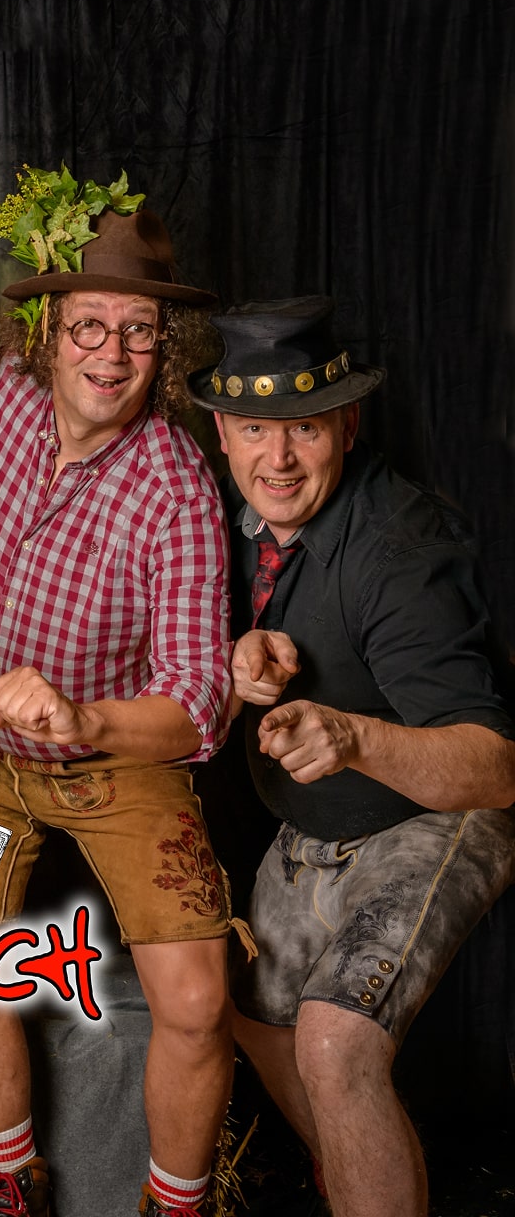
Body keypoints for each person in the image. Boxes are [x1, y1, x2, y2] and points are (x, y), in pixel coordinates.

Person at [0, 174, 239, 1217]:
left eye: (138, 331)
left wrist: (81, 718)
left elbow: (198, 699)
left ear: (165, 347)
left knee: (196, 998)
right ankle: (9, 1177)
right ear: (47, 334)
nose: (111, 353)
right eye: (89, 325)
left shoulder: (177, 486)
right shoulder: (4, 395)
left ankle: (176, 1202)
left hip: (114, 758)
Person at [187, 296, 515, 1217]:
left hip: (433, 819)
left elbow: (495, 768)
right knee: (248, 1014)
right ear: (222, 432)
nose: (279, 459)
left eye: (305, 428)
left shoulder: (400, 548)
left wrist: (352, 735)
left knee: (335, 1045)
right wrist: (232, 659)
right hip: (311, 829)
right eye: (256, 429)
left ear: (348, 425)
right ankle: (359, 1179)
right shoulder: (224, 517)